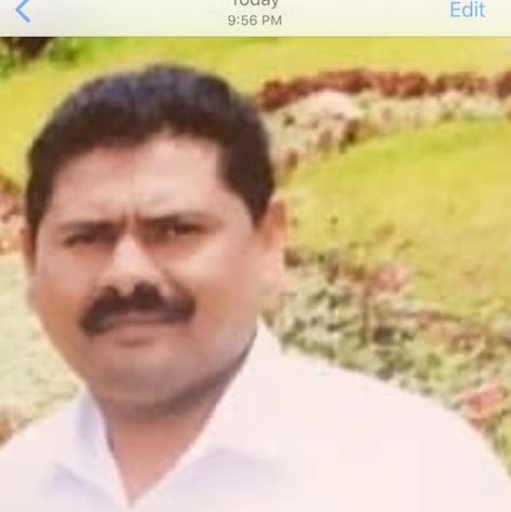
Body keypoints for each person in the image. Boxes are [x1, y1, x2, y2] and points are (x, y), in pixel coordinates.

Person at [0, 64, 510, 512]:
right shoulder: (17, 484)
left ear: (269, 242)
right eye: (87, 238)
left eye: (175, 231)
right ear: (31, 260)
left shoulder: (414, 473)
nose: (127, 274)